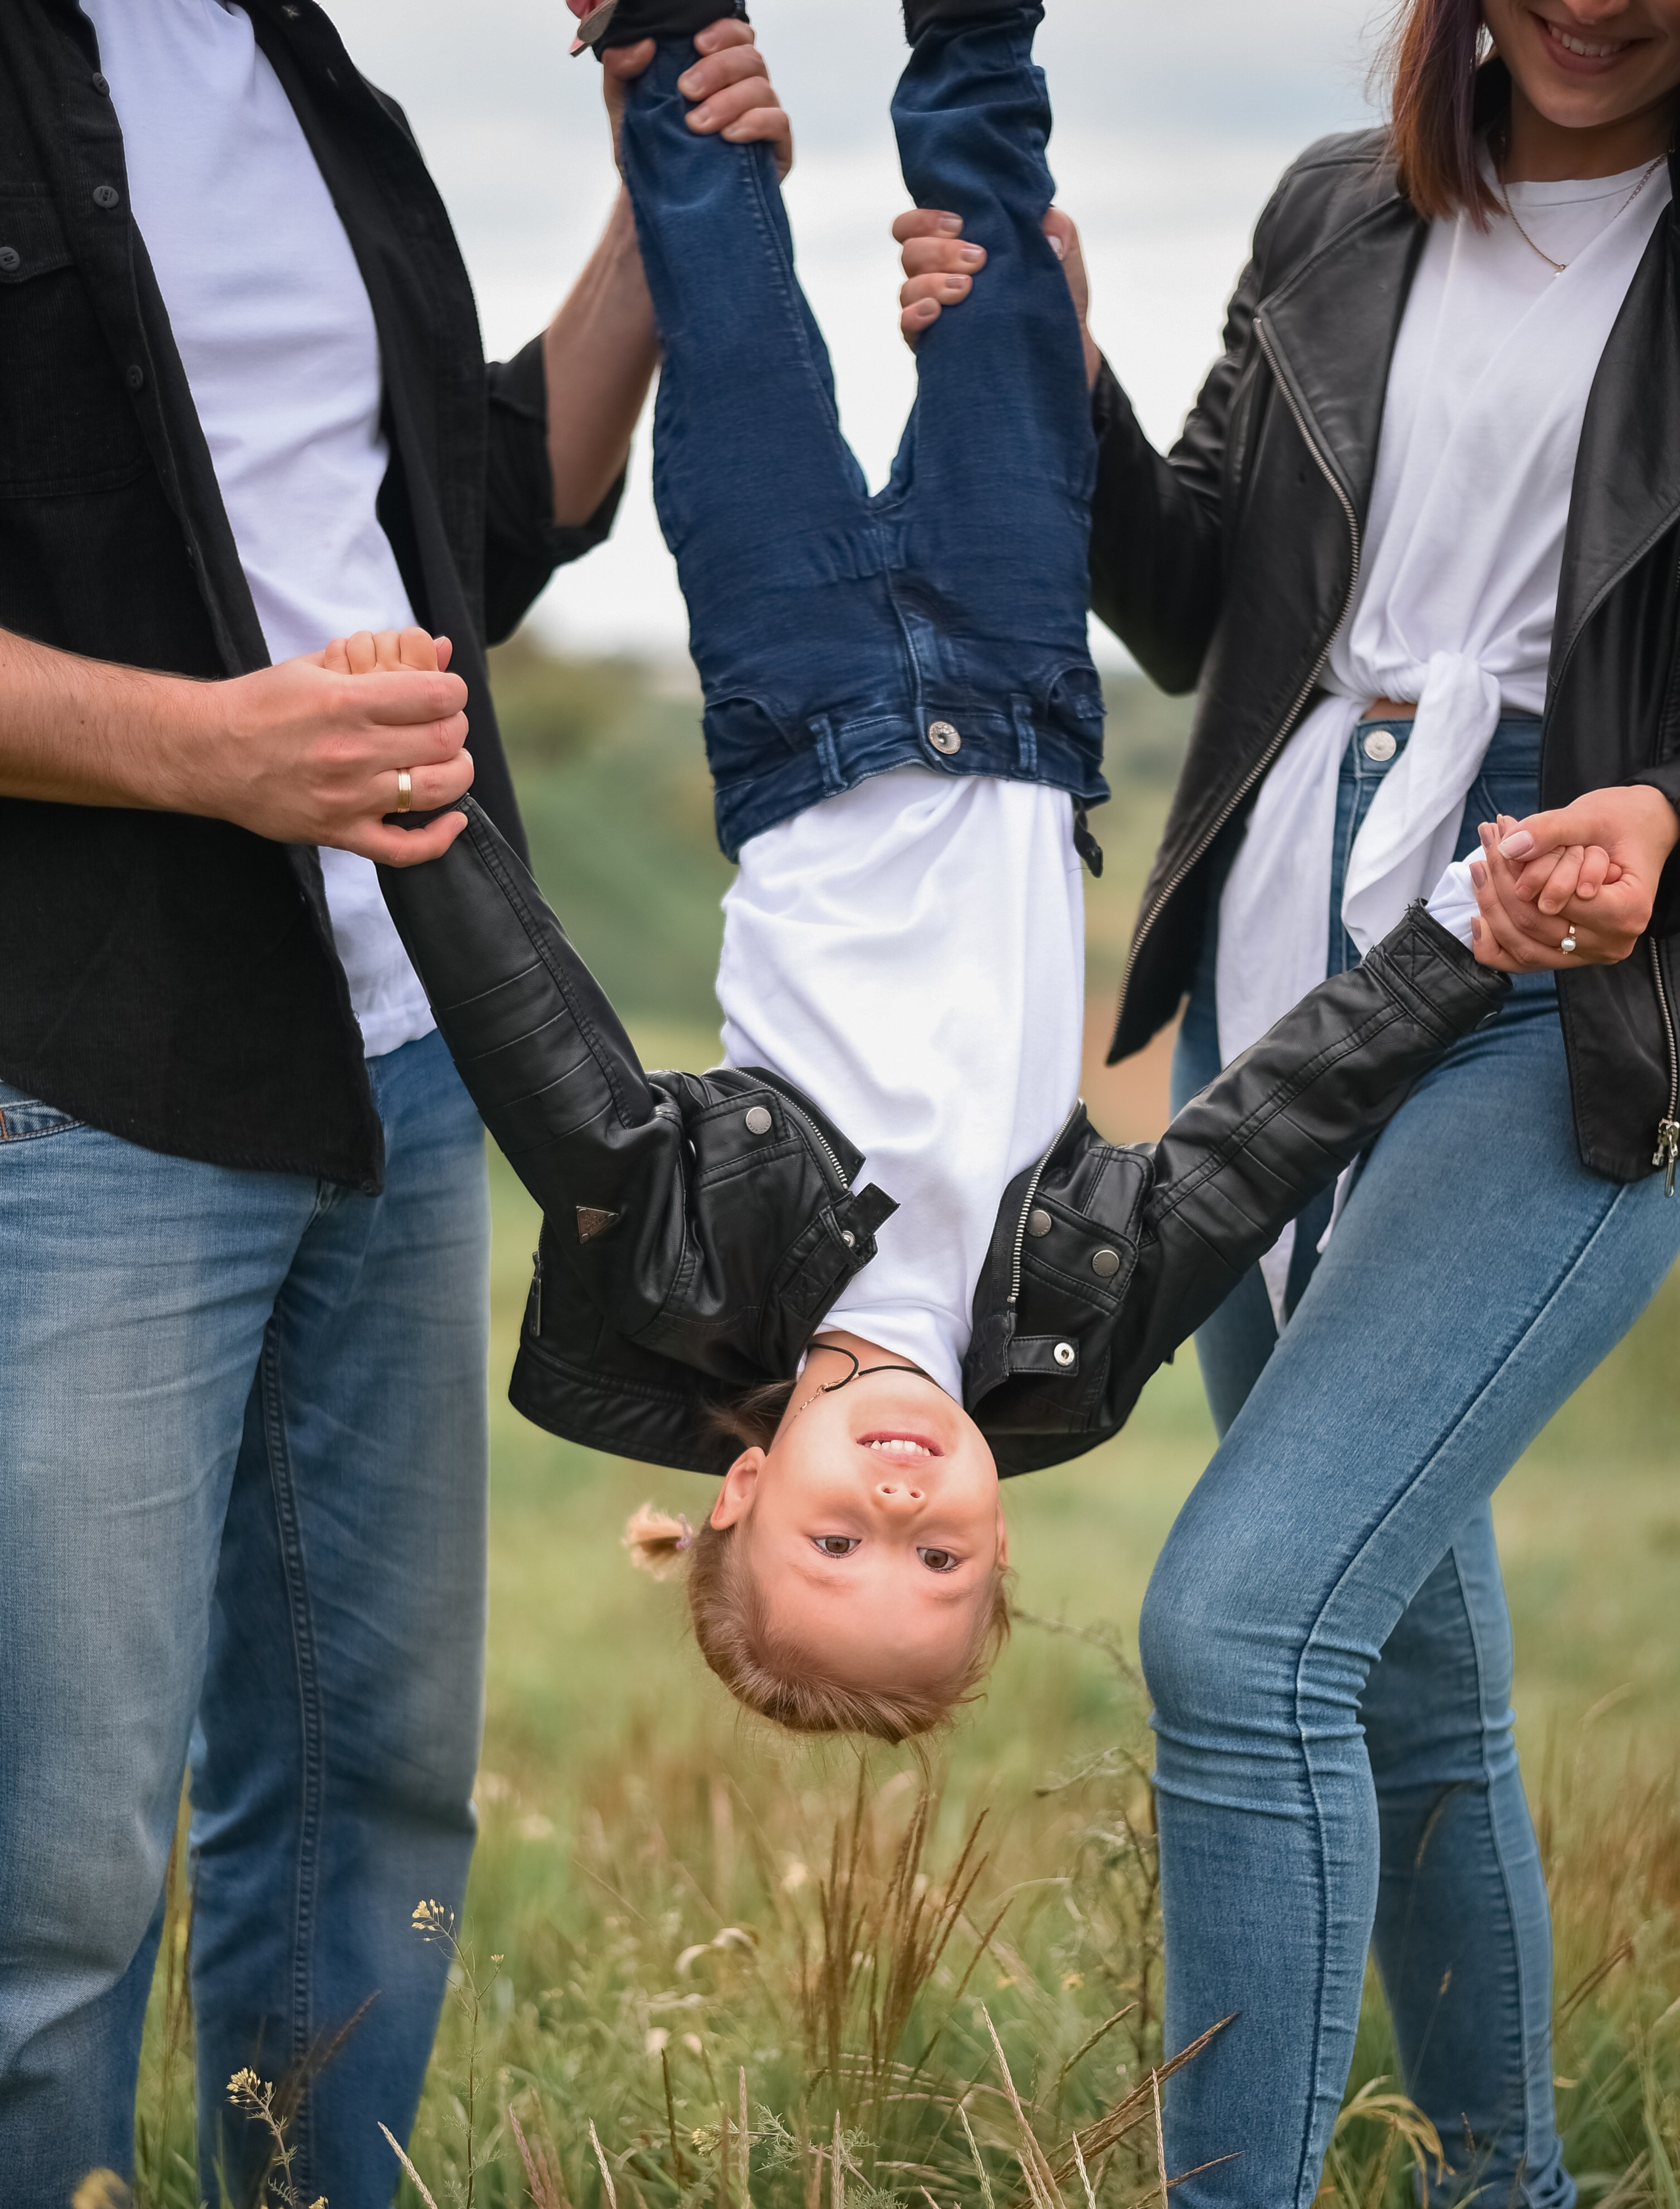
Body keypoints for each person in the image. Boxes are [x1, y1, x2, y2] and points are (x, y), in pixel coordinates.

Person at [374, 0, 1509, 1782]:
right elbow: (1274, 1125)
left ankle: (669, 28)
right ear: (1004, 1526)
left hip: (791, 684)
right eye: (944, 1555)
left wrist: (421, 828)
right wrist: (1460, 946)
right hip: (1024, 676)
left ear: (745, 1490)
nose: (903, 1503)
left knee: (721, 282)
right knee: (988, 225)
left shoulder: (685, 1276)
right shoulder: (1085, 1327)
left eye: (842, 1543)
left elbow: (553, 1069)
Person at [0, 2, 784, 2209]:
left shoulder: (299, 63)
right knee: (49, 1868)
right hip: (85, 1068)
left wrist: (658, 213)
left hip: (410, 1043)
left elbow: (470, 505)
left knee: (367, 1788)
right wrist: (211, 748)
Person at [895, 0, 1680, 2209]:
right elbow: (1201, 598)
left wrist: (1670, 806)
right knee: (1407, 1664)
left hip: (1565, 957)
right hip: (1283, 946)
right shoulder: (1341, 210)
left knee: (1244, 1631)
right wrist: (1055, 359)